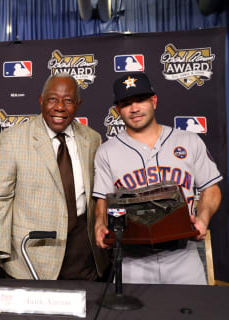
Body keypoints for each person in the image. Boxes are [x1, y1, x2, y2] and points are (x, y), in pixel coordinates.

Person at [0, 73, 108, 281]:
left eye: (68, 100)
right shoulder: (13, 140)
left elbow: (98, 196)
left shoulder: (92, 139)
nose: (59, 107)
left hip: (83, 258)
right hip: (30, 259)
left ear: (78, 104)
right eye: (53, 99)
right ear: (41, 100)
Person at [93, 72, 222, 284]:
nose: (134, 108)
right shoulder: (106, 151)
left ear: (153, 101)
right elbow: (103, 200)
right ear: (118, 110)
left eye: (140, 100)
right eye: (126, 103)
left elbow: (211, 188)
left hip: (183, 255)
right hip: (133, 258)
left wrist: (203, 217)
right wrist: (99, 224)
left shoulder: (189, 141)